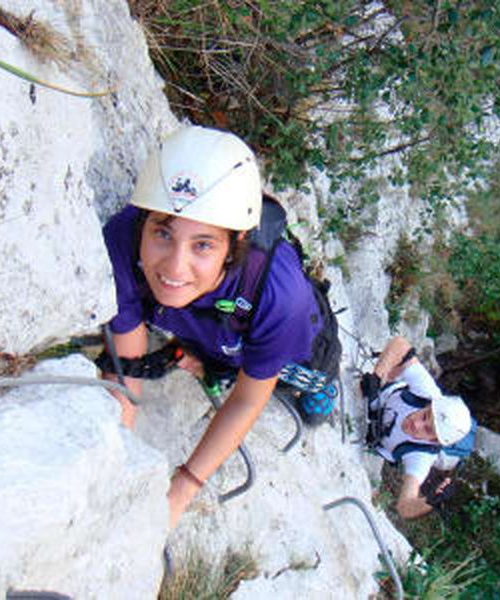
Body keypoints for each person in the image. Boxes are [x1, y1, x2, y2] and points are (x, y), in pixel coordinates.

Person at [100, 126, 338, 528]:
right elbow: (127, 353)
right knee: (216, 354)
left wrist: (183, 487)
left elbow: (249, 399)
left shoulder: (281, 298)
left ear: (235, 243)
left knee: (311, 387)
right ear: (144, 221)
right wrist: (115, 454)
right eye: (162, 232)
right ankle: (209, 359)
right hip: (219, 334)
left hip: (301, 346)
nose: (174, 266)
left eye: (203, 245)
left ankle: (323, 393)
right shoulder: (123, 239)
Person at [360, 336, 474, 519]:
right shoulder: (429, 393)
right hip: (380, 394)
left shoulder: (421, 456)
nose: (417, 423)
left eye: (428, 430)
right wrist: (377, 377)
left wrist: (429, 502)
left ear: (434, 441)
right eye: (425, 415)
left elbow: (404, 506)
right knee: (397, 367)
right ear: (429, 405)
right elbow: (400, 344)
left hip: (368, 433)